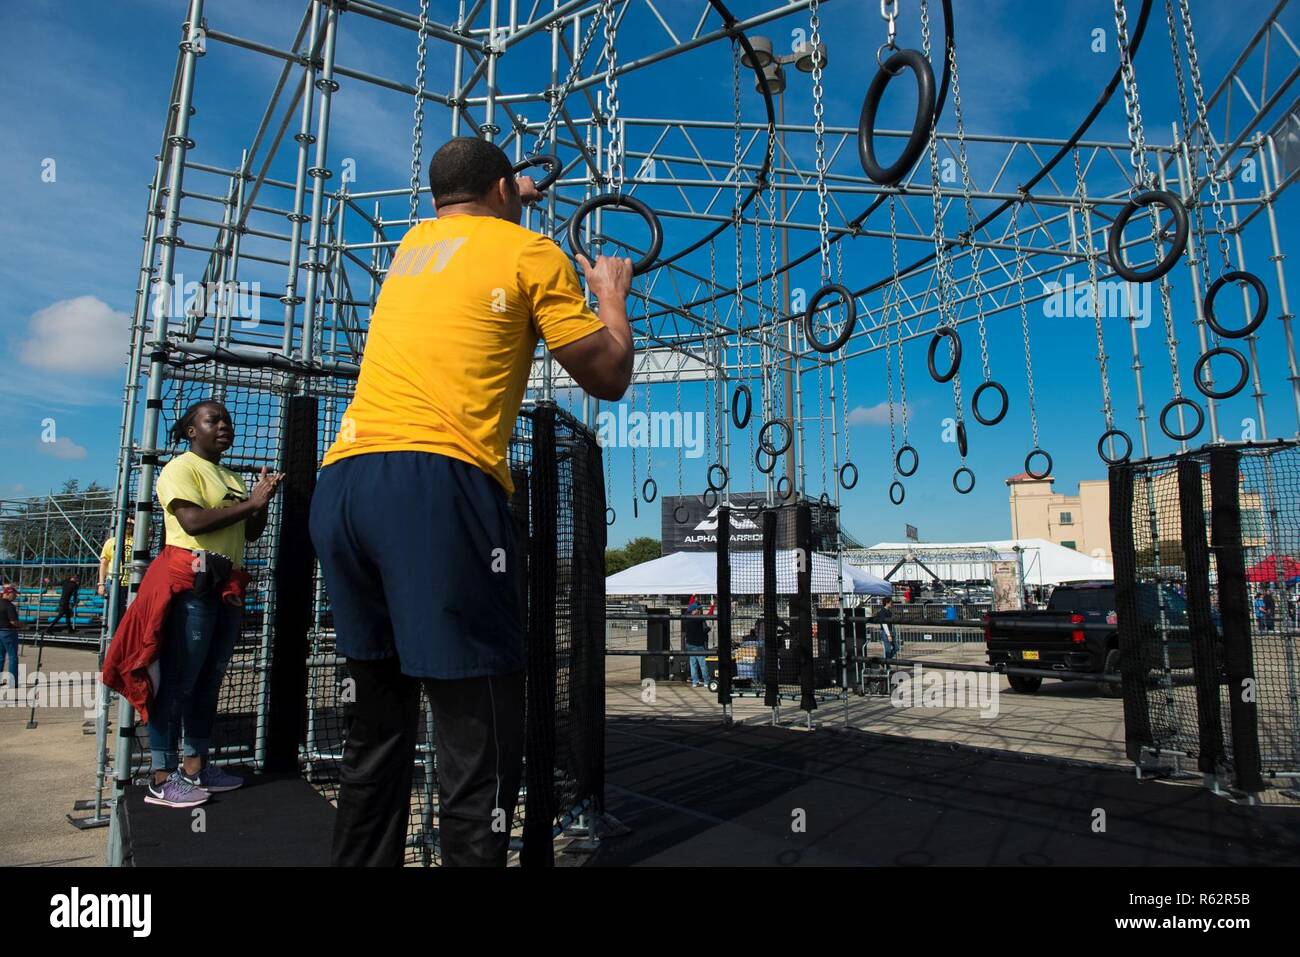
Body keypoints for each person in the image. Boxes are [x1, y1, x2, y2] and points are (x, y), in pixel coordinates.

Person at [309, 136, 633, 867]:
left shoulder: (413, 246)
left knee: (378, 732)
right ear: (501, 191)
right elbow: (609, 375)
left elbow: (472, 223)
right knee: (478, 744)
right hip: (437, 485)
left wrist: (503, 194)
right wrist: (611, 298)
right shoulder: (532, 252)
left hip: (347, 485)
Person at [102, 399, 283, 810]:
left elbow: (251, 532)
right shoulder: (180, 468)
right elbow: (192, 522)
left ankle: (196, 768)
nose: (223, 425)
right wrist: (251, 504)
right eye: (212, 419)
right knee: (180, 681)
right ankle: (162, 777)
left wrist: (262, 499)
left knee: (208, 682)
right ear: (191, 431)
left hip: (225, 587)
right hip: (192, 588)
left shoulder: (232, 475)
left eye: (226, 420)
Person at [683, 600, 711, 689]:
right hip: (698, 644)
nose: (699, 611)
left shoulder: (686, 618)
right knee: (703, 664)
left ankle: (695, 682)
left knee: (693, 664)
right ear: (694, 610)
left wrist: (693, 596)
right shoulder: (698, 619)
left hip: (689, 644)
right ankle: (706, 681)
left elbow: (689, 607)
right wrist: (712, 606)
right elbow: (709, 615)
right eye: (697, 609)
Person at [0, 585, 19, 690]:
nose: (15, 596)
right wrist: (24, 625)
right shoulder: (9, 606)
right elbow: (13, 621)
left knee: (0, 657)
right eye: (14, 594)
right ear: (8, 593)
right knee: (12, 657)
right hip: (8, 632)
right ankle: (13, 681)